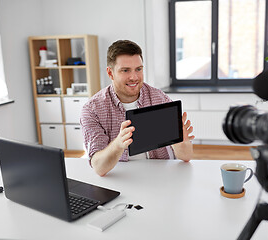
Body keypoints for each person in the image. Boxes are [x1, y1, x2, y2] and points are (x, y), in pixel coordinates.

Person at [80, 40, 194, 176]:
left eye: (138, 69)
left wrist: (181, 141)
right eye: (125, 70)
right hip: (121, 179)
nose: (134, 77)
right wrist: (118, 144)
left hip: (162, 176)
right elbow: (99, 168)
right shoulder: (92, 110)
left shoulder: (160, 98)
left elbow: (186, 156)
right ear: (110, 73)